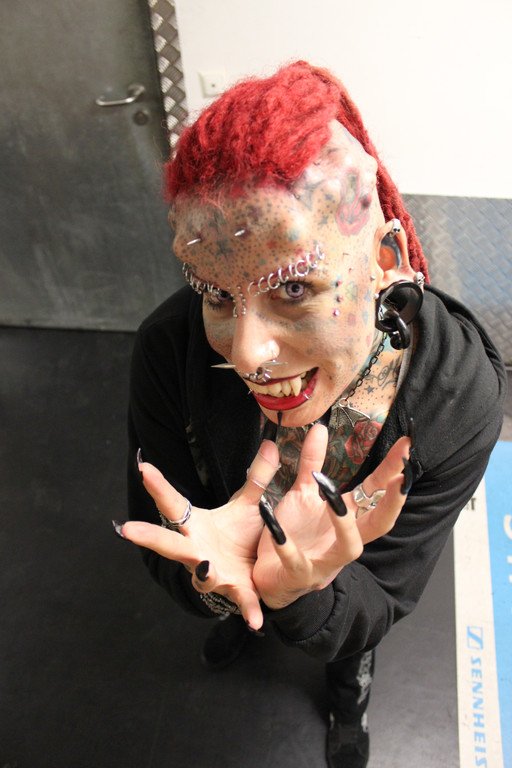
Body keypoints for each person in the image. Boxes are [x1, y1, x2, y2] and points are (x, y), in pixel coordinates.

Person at [114, 61, 506, 768]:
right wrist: (221, 583)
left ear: (385, 258)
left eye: (292, 288)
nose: (247, 352)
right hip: (236, 552)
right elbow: (168, 528)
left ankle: (347, 692)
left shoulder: (456, 398)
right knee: (239, 602)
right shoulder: (169, 351)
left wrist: (305, 592)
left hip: (342, 588)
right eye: (215, 293)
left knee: (345, 644)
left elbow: (383, 590)